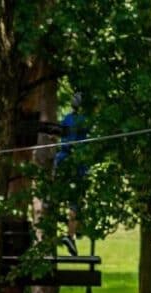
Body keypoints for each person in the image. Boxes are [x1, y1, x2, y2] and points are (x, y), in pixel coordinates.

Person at [53, 93, 88, 256]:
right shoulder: (84, 120)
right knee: (76, 201)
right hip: (76, 163)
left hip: (62, 161)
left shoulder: (67, 119)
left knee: (62, 198)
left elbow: (59, 134)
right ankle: (72, 234)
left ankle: (75, 230)